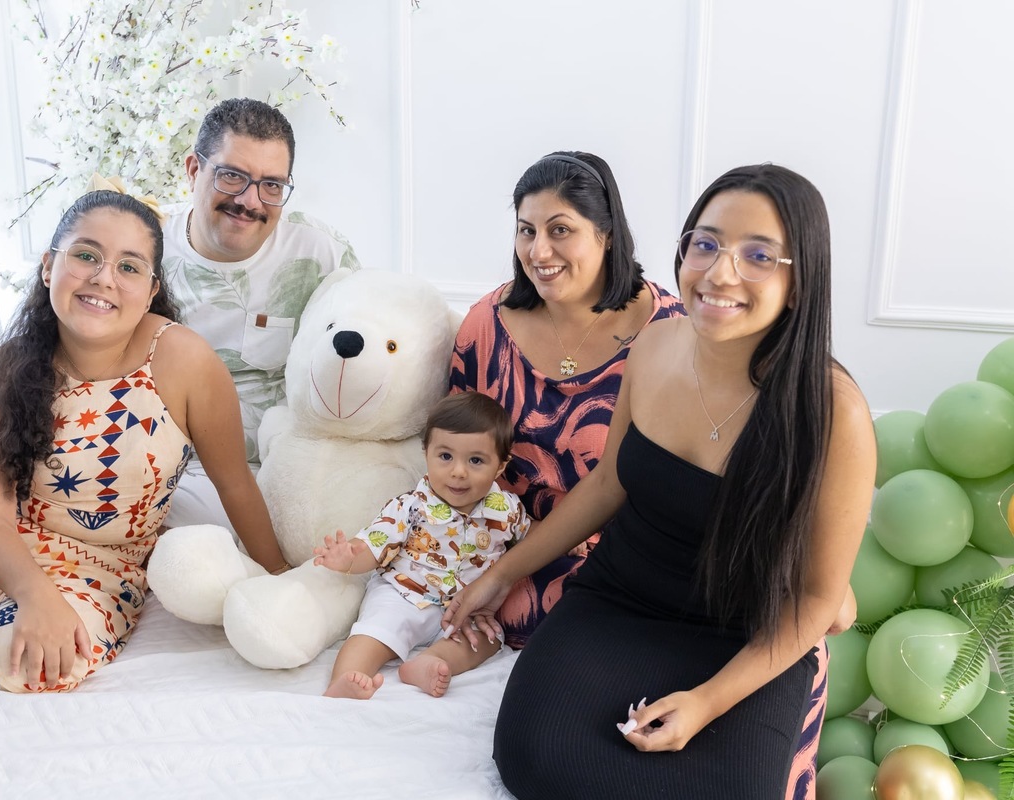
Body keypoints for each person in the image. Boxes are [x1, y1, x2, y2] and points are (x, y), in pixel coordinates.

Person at [443, 164, 876, 798]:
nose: (720, 272)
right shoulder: (653, 347)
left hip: (747, 634)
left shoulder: (835, 412)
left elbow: (815, 601)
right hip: (619, 603)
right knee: (536, 761)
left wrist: (705, 703)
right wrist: (502, 574)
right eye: (706, 244)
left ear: (801, 275)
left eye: (758, 255)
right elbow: (606, 484)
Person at [0, 187, 286, 703]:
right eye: (86, 255)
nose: (103, 277)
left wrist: (283, 577)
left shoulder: (185, 361)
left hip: (97, 572)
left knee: (36, 662)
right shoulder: (2, 372)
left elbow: (235, 482)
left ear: (151, 290)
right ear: (48, 267)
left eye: (129, 267)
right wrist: (32, 594)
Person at [449, 151, 686, 648]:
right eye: (526, 230)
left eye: (560, 230)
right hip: (503, 543)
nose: (538, 251)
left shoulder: (673, 333)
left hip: (627, 557)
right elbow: (453, 445)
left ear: (607, 235)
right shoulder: (486, 324)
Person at [161, 97, 360, 533]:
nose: (250, 201)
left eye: (272, 185)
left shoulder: (321, 253)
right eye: (232, 176)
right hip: (169, 474)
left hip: (282, 472)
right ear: (194, 171)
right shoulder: (146, 250)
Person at [312, 392, 530, 700]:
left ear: (499, 467)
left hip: (463, 608)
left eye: (476, 460)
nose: (458, 471)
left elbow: (531, 535)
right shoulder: (411, 506)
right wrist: (348, 558)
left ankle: (431, 661)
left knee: (489, 638)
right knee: (375, 631)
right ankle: (345, 680)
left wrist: (571, 545)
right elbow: (374, 544)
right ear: (426, 452)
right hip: (405, 594)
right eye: (445, 456)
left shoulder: (505, 509)